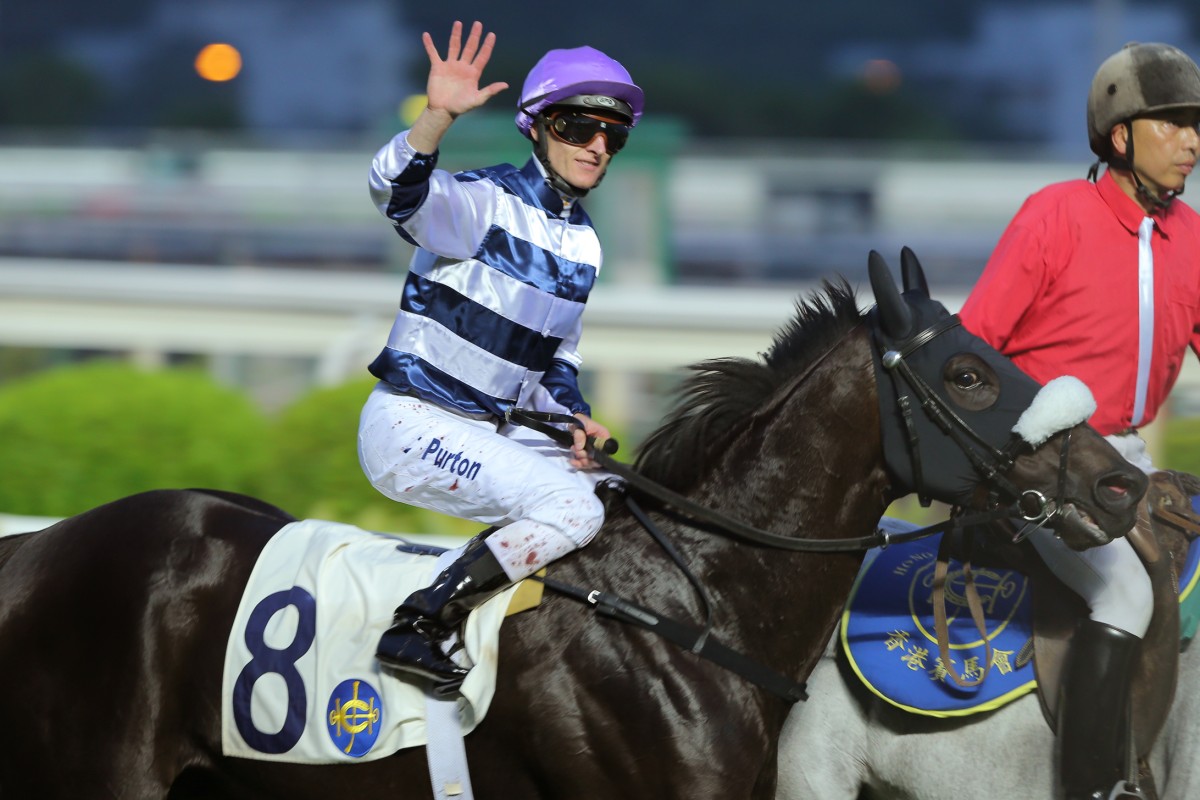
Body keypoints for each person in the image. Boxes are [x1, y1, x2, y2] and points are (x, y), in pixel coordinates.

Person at [357, 20, 644, 694]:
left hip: (494, 430)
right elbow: (394, 192)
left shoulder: (585, 246)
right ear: (538, 127)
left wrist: (574, 417)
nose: (598, 146)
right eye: (579, 126)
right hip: (415, 427)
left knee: (620, 502)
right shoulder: (481, 204)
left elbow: (553, 363)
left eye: (613, 135)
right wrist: (435, 118)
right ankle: (420, 624)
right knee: (572, 513)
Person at [959, 41, 1200, 800]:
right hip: (1037, 457)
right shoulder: (1052, 215)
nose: (1193, 141)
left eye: (1198, 126)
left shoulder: (1193, 236)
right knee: (1126, 594)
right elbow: (971, 354)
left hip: (1123, 462)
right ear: (1121, 135)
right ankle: (1100, 787)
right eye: (1174, 123)